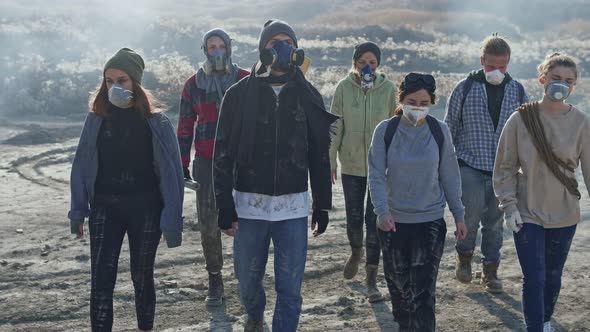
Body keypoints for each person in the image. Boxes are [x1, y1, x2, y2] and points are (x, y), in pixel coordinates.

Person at [213, 19, 338, 332]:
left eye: (288, 42)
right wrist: (223, 205)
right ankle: (254, 315)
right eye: (275, 42)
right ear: (262, 49)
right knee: (247, 281)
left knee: (290, 288)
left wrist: (322, 203)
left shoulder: (309, 96)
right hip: (249, 206)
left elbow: (319, 155)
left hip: (293, 208)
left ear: (296, 50)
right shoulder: (238, 95)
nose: (283, 48)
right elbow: (222, 153)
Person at [68, 48, 184, 331]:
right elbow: (82, 163)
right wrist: (78, 210)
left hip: (146, 208)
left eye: (122, 80)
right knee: (101, 280)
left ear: (136, 83)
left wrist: (172, 219)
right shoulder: (96, 119)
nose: (115, 86)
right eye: (109, 81)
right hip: (105, 208)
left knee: (142, 277)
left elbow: (172, 175)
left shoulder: (157, 122)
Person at [493, 53, 589, 332]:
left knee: (553, 276)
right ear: (542, 79)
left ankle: (544, 319)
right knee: (533, 277)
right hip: (527, 211)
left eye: (568, 81)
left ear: (575, 86)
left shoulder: (582, 122)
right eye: (556, 78)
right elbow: (504, 168)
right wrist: (509, 206)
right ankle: (534, 327)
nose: (562, 84)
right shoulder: (520, 119)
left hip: (565, 212)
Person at [368, 72, 467, 332]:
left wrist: (459, 215)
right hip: (393, 224)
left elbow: (449, 175)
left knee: (423, 293)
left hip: (429, 223)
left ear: (431, 102)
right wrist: (382, 212)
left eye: (424, 103)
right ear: (401, 100)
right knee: (400, 290)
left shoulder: (439, 131)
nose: (418, 107)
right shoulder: (386, 130)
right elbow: (376, 175)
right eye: (412, 101)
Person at [444, 33, 528, 292]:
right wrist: (446, 167)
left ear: (508, 63)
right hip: (469, 164)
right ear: (482, 60)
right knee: (469, 216)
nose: (497, 71)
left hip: (503, 171)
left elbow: (525, 132)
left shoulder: (517, 90)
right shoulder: (464, 88)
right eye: (491, 66)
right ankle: (464, 255)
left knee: (494, 222)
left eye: (502, 67)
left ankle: (490, 270)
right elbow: (450, 128)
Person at [177, 28, 249, 306]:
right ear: (205, 50)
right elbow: (184, 128)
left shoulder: (245, 80)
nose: (217, 51)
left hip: (241, 161)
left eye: (221, 45)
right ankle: (215, 279)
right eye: (211, 47)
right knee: (209, 224)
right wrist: (183, 163)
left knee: (245, 222)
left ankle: (245, 276)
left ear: (229, 48)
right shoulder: (193, 84)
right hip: (206, 162)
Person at [329, 41, 396, 302]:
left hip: (380, 169)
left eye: (372, 62)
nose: (367, 67)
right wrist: (331, 159)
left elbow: (395, 128)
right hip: (352, 165)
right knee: (354, 217)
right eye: (362, 62)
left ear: (378, 65)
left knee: (375, 220)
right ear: (354, 63)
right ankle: (356, 251)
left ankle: (371, 279)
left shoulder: (388, 89)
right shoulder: (343, 88)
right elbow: (335, 125)